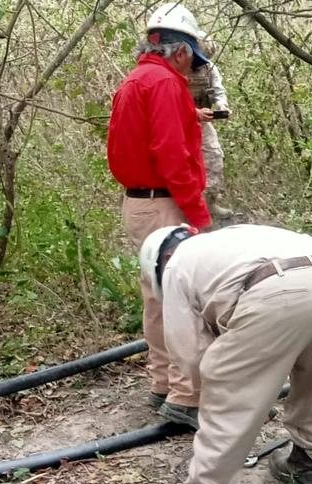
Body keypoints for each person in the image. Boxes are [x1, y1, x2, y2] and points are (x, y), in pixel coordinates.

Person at [138, 224, 312, 484]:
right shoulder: (226, 242)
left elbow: (190, 354)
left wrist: (227, 394)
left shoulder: (177, 266)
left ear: (163, 259)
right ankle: (305, 468)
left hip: (278, 291)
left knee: (226, 393)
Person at [107, 3, 212, 427]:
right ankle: (187, 396)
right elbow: (172, 157)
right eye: (192, 64)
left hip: (141, 203)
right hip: (165, 202)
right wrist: (198, 215)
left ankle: (164, 384)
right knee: (185, 300)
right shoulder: (166, 85)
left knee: (158, 298)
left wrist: (191, 115)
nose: (191, 73)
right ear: (182, 52)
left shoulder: (136, 81)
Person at [187, 40, 233, 220]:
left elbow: (218, 90)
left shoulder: (209, 68)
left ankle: (210, 201)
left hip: (203, 121)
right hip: (178, 120)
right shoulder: (176, 67)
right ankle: (186, 207)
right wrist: (192, 112)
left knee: (214, 156)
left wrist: (222, 106)